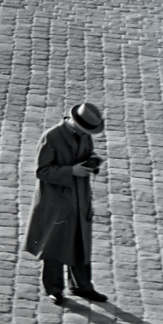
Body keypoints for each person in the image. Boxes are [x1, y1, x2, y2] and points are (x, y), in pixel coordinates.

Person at [24, 102, 108, 304]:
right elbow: (41, 171)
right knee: (54, 246)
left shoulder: (84, 136)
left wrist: (92, 161)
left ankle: (81, 286)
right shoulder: (51, 137)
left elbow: (86, 153)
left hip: (79, 200)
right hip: (56, 203)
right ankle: (54, 288)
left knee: (81, 244)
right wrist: (71, 171)